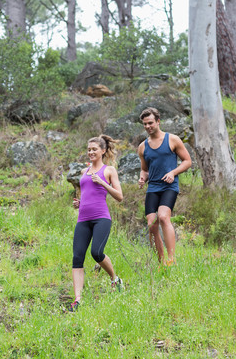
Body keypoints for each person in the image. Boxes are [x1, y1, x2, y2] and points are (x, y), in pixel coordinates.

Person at [70, 135, 124, 312]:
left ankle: (115, 279)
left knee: (96, 252)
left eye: (94, 149)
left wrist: (103, 182)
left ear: (102, 151)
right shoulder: (84, 172)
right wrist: (79, 203)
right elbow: (85, 193)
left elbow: (119, 197)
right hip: (83, 219)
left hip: (101, 217)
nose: (90, 152)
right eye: (89, 149)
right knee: (77, 257)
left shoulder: (109, 170)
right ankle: (77, 300)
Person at [137, 107, 191, 266]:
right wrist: (142, 178)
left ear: (158, 121)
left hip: (169, 186)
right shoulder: (142, 147)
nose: (148, 127)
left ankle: (171, 259)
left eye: (150, 123)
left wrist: (173, 173)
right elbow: (145, 170)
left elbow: (187, 161)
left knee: (163, 217)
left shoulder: (172, 140)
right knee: (151, 224)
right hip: (153, 188)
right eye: (145, 124)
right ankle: (161, 262)